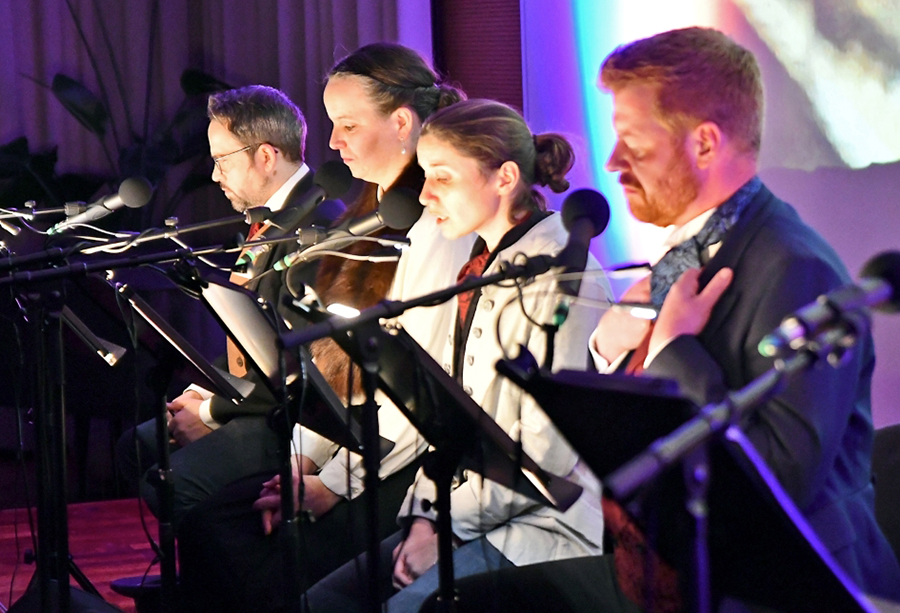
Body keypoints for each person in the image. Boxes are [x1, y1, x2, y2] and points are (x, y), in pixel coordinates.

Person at [423, 26, 900, 613]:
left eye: (633, 142)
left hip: (766, 589)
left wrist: (671, 351)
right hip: (658, 569)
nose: (613, 161)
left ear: (705, 144)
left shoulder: (796, 267)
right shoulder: (685, 250)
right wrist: (607, 351)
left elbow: (777, 485)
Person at [175, 43, 472, 613]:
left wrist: (332, 482)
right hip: (348, 442)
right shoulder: (369, 215)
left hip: (401, 462)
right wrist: (304, 459)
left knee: (237, 545)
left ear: (402, 123)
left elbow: (414, 395)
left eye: (348, 125)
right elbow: (340, 373)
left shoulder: (437, 230)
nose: (332, 142)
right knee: (214, 526)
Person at [302, 99, 612, 613]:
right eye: (425, 176)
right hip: (473, 507)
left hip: (543, 525)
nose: (425, 195)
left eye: (441, 178)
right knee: (323, 602)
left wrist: (442, 524)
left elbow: (544, 458)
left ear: (504, 178)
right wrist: (426, 517)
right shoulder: (480, 261)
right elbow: (453, 418)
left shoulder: (561, 276)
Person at [116, 85, 344, 525]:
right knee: (136, 447)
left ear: (266, 156)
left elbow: (296, 366)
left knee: (169, 483)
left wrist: (209, 413)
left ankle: (233, 562)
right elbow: (250, 340)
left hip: (291, 418)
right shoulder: (273, 217)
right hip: (254, 396)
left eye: (222, 160)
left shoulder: (317, 225)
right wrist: (201, 392)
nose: (215, 175)